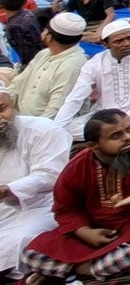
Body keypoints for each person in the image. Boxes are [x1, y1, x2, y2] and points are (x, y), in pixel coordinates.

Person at [22, 109, 130, 284]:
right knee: (31, 253)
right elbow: (65, 208)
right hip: (94, 228)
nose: (128, 137)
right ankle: (86, 269)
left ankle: (70, 270)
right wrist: (86, 232)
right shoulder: (77, 167)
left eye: (129, 129)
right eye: (116, 136)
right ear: (93, 146)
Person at [0, 84, 71, 280]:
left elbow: (51, 175)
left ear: (12, 103)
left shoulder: (43, 129)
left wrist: (9, 189)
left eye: (2, 109)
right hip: (3, 213)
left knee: (20, 240)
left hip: (42, 207)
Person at [53, 20, 130, 141]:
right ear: (106, 44)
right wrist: (56, 129)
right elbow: (76, 96)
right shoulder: (95, 63)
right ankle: (119, 134)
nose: (127, 43)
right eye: (119, 41)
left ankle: (108, 137)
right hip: (106, 115)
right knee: (68, 127)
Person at [8, 13, 88, 118]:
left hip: (45, 125)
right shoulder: (44, 53)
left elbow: (56, 109)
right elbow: (19, 82)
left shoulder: (72, 65)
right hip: (22, 116)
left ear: (49, 37)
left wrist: (35, 128)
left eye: (45, 30)